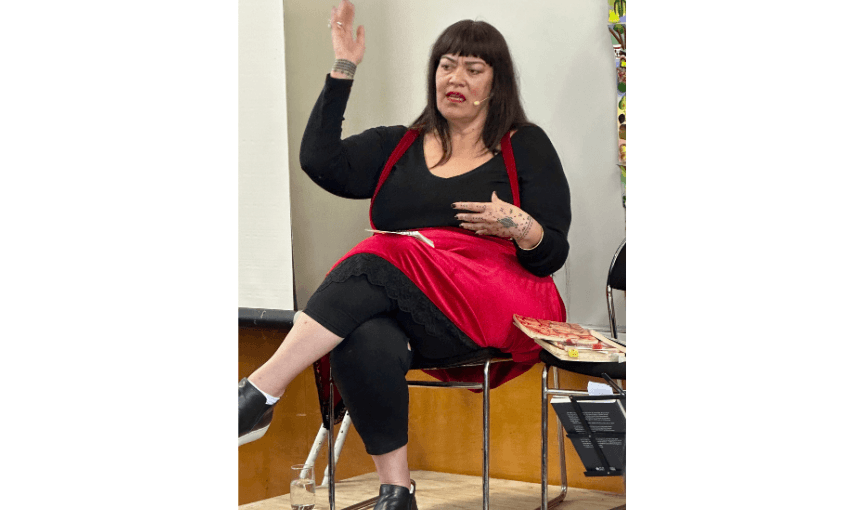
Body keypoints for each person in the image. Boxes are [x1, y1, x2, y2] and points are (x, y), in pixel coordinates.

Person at [239, 2, 571, 509]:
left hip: (496, 304)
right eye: (446, 65)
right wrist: (342, 68)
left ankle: (258, 393)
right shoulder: (399, 145)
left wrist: (520, 226)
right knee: (362, 335)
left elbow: (551, 255)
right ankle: (397, 490)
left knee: (382, 250)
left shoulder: (523, 144)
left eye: (473, 69)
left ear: (496, 84)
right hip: (422, 312)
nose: (455, 77)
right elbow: (318, 161)